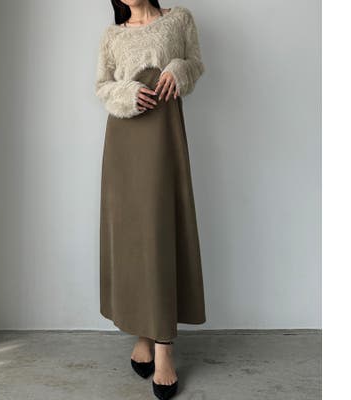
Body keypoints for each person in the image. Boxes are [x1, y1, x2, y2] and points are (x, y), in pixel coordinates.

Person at [95, 1, 206, 398]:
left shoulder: (179, 19)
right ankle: (142, 333)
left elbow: (195, 63)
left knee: (159, 232)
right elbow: (102, 86)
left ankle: (163, 346)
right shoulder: (112, 35)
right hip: (124, 140)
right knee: (132, 237)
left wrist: (177, 69)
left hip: (163, 135)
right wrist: (127, 93)